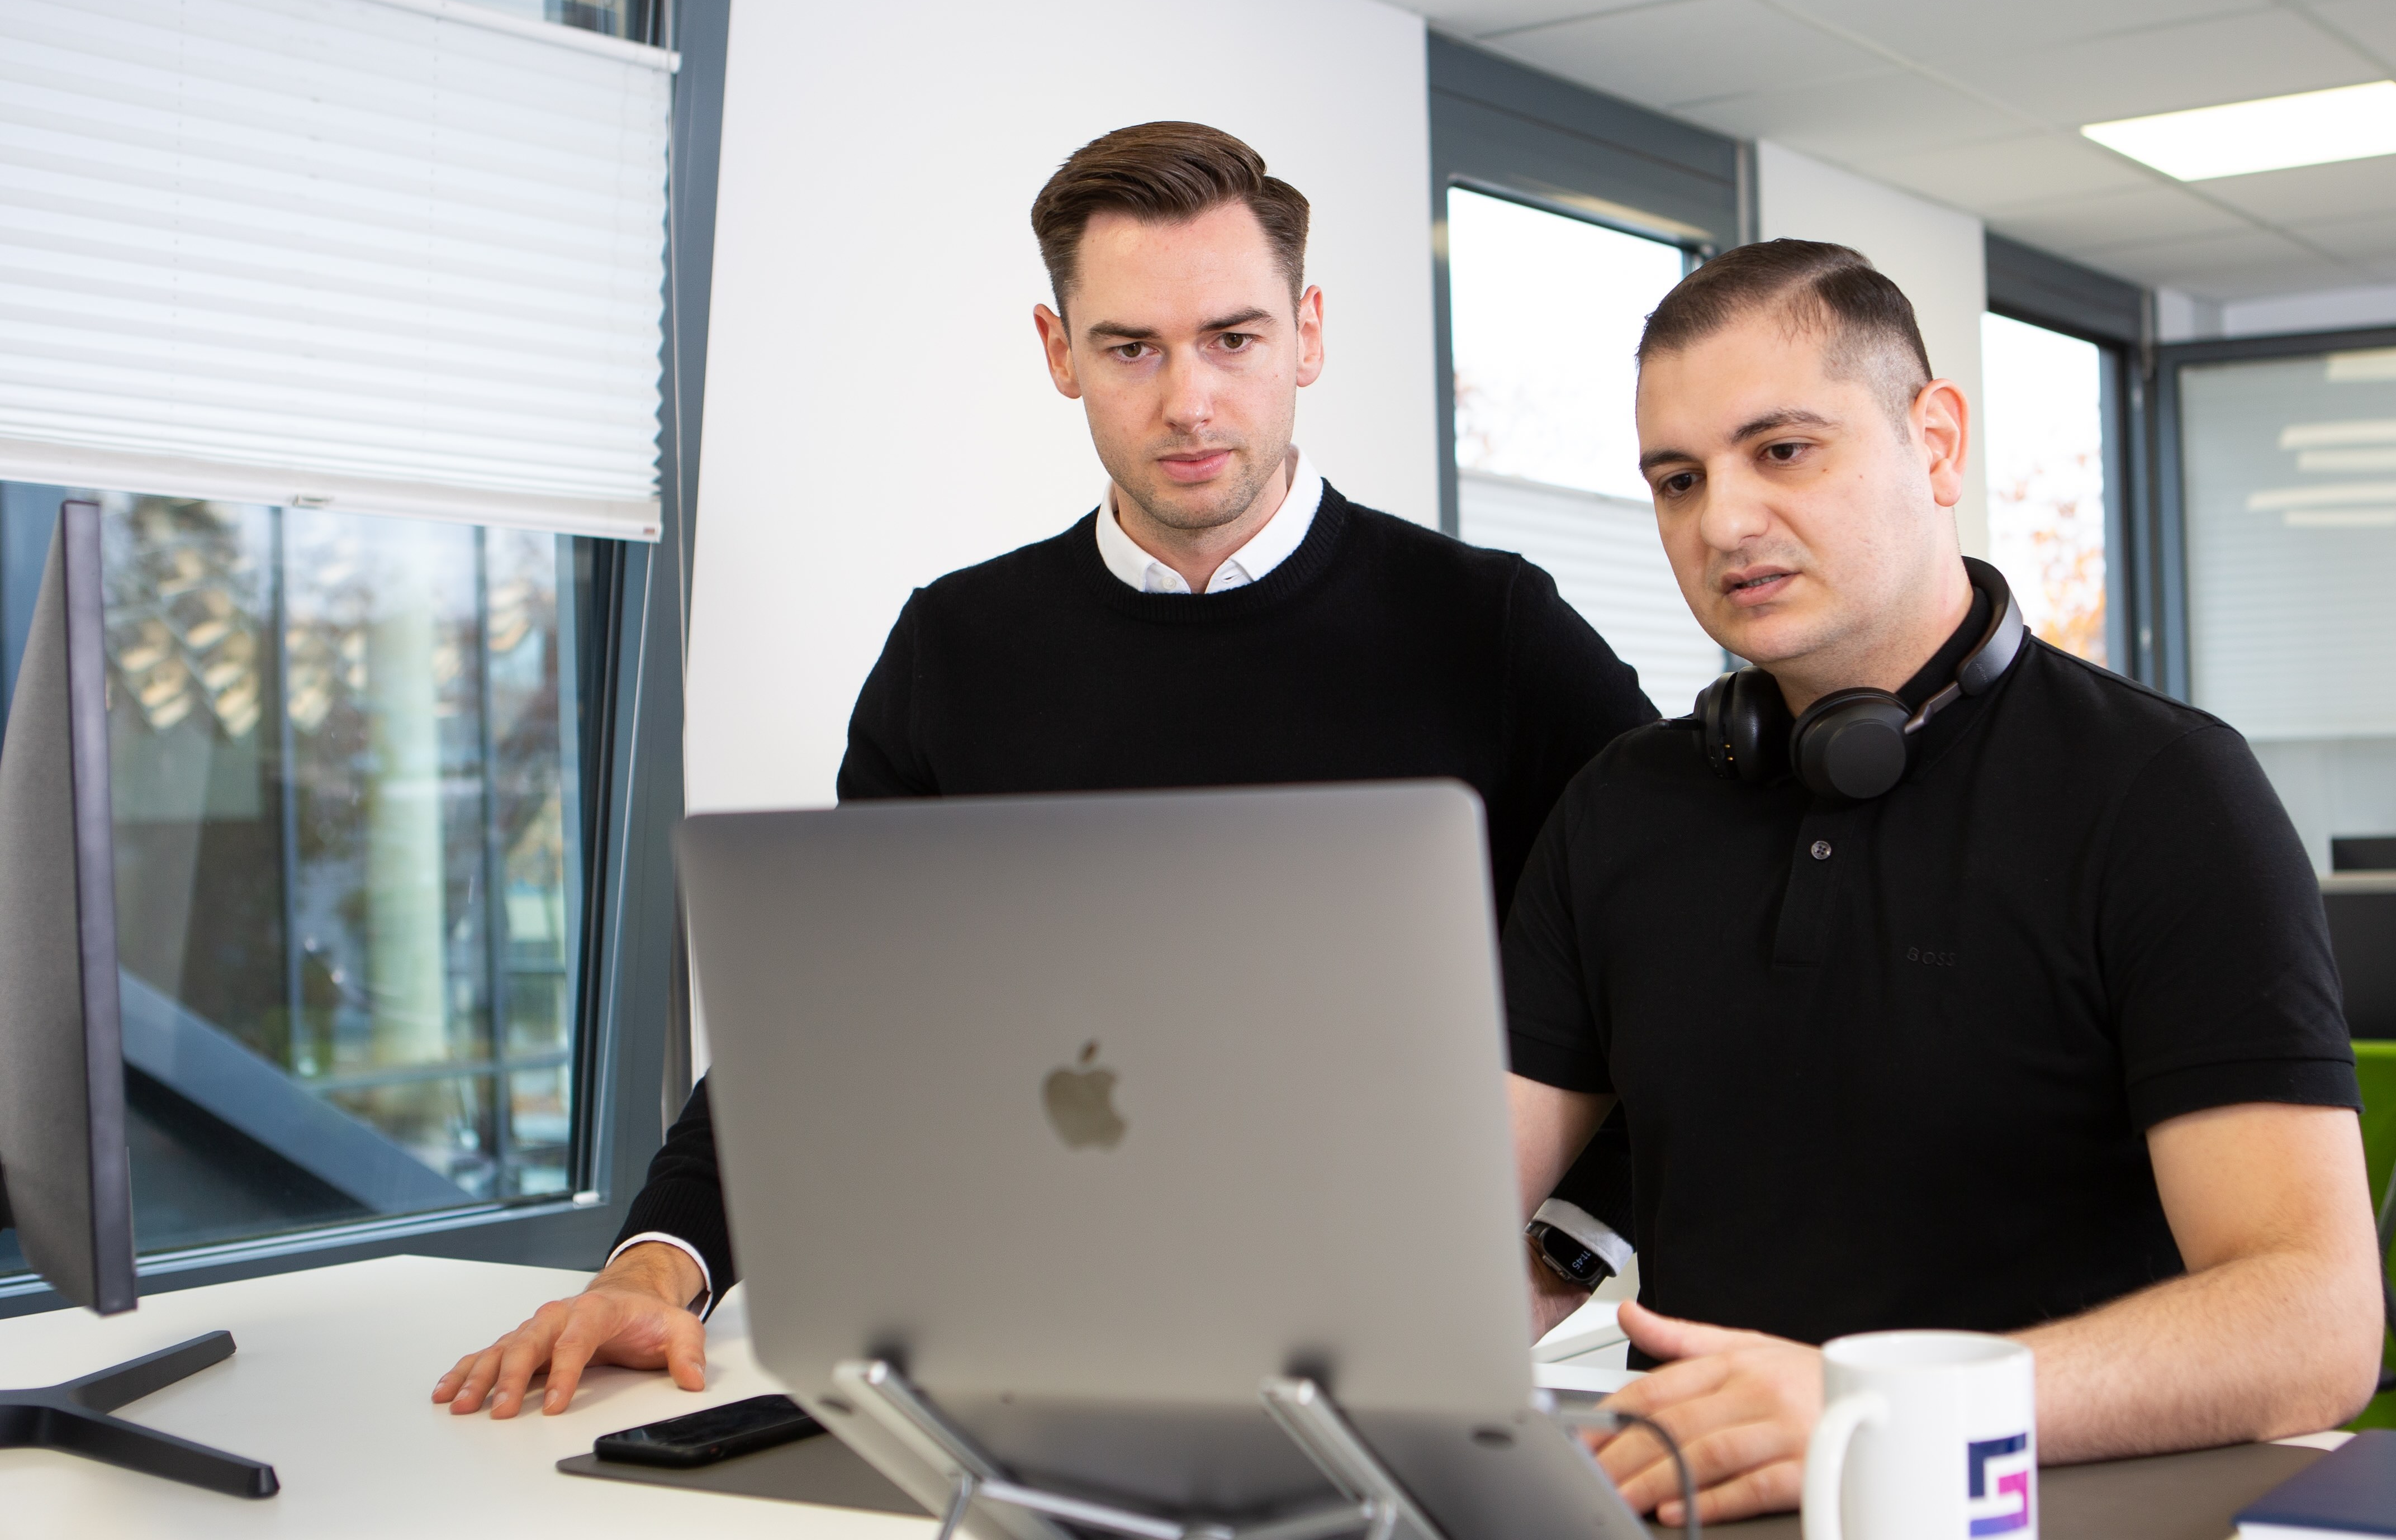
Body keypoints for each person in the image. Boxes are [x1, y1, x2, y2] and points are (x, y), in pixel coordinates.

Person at [437, 122, 1654, 1420]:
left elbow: (1675, 951)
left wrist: (1559, 1253)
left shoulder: (1491, 629)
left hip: (1387, 1357)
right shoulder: (955, 648)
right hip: (1032, 1341)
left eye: (1232, 339)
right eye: (1131, 348)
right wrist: (656, 1263)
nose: (1188, 401)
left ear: (1305, 334)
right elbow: (835, 1013)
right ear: (1058, 351)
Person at [1505, 239, 2385, 1525]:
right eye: (1678, 479)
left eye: (1782, 451)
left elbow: (2313, 1320)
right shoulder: (1620, 808)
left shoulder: (2162, 792)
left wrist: (1881, 1408)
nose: (1722, 522)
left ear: (1936, 442)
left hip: (2055, 1534)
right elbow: (1455, 1210)